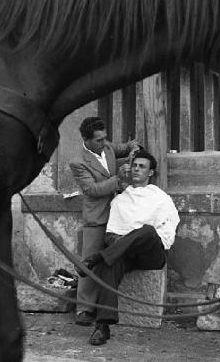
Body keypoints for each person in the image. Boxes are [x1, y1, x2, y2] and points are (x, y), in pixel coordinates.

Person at [77, 150, 180, 346]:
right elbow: (110, 234)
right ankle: (102, 326)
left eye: (142, 167)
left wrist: (133, 238)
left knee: (147, 231)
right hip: (126, 253)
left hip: (152, 254)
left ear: (150, 173)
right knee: (110, 264)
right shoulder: (120, 200)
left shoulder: (160, 198)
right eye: (134, 165)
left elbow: (167, 229)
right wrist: (121, 243)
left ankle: (97, 258)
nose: (136, 169)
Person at [69, 116, 138, 326]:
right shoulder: (78, 162)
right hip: (97, 217)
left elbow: (123, 147)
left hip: (119, 215)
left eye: (105, 138)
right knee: (89, 261)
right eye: (98, 140)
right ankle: (84, 310)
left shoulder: (106, 146)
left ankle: (104, 307)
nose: (104, 142)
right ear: (86, 140)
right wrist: (118, 178)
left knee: (112, 260)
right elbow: (92, 189)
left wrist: (133, 147)